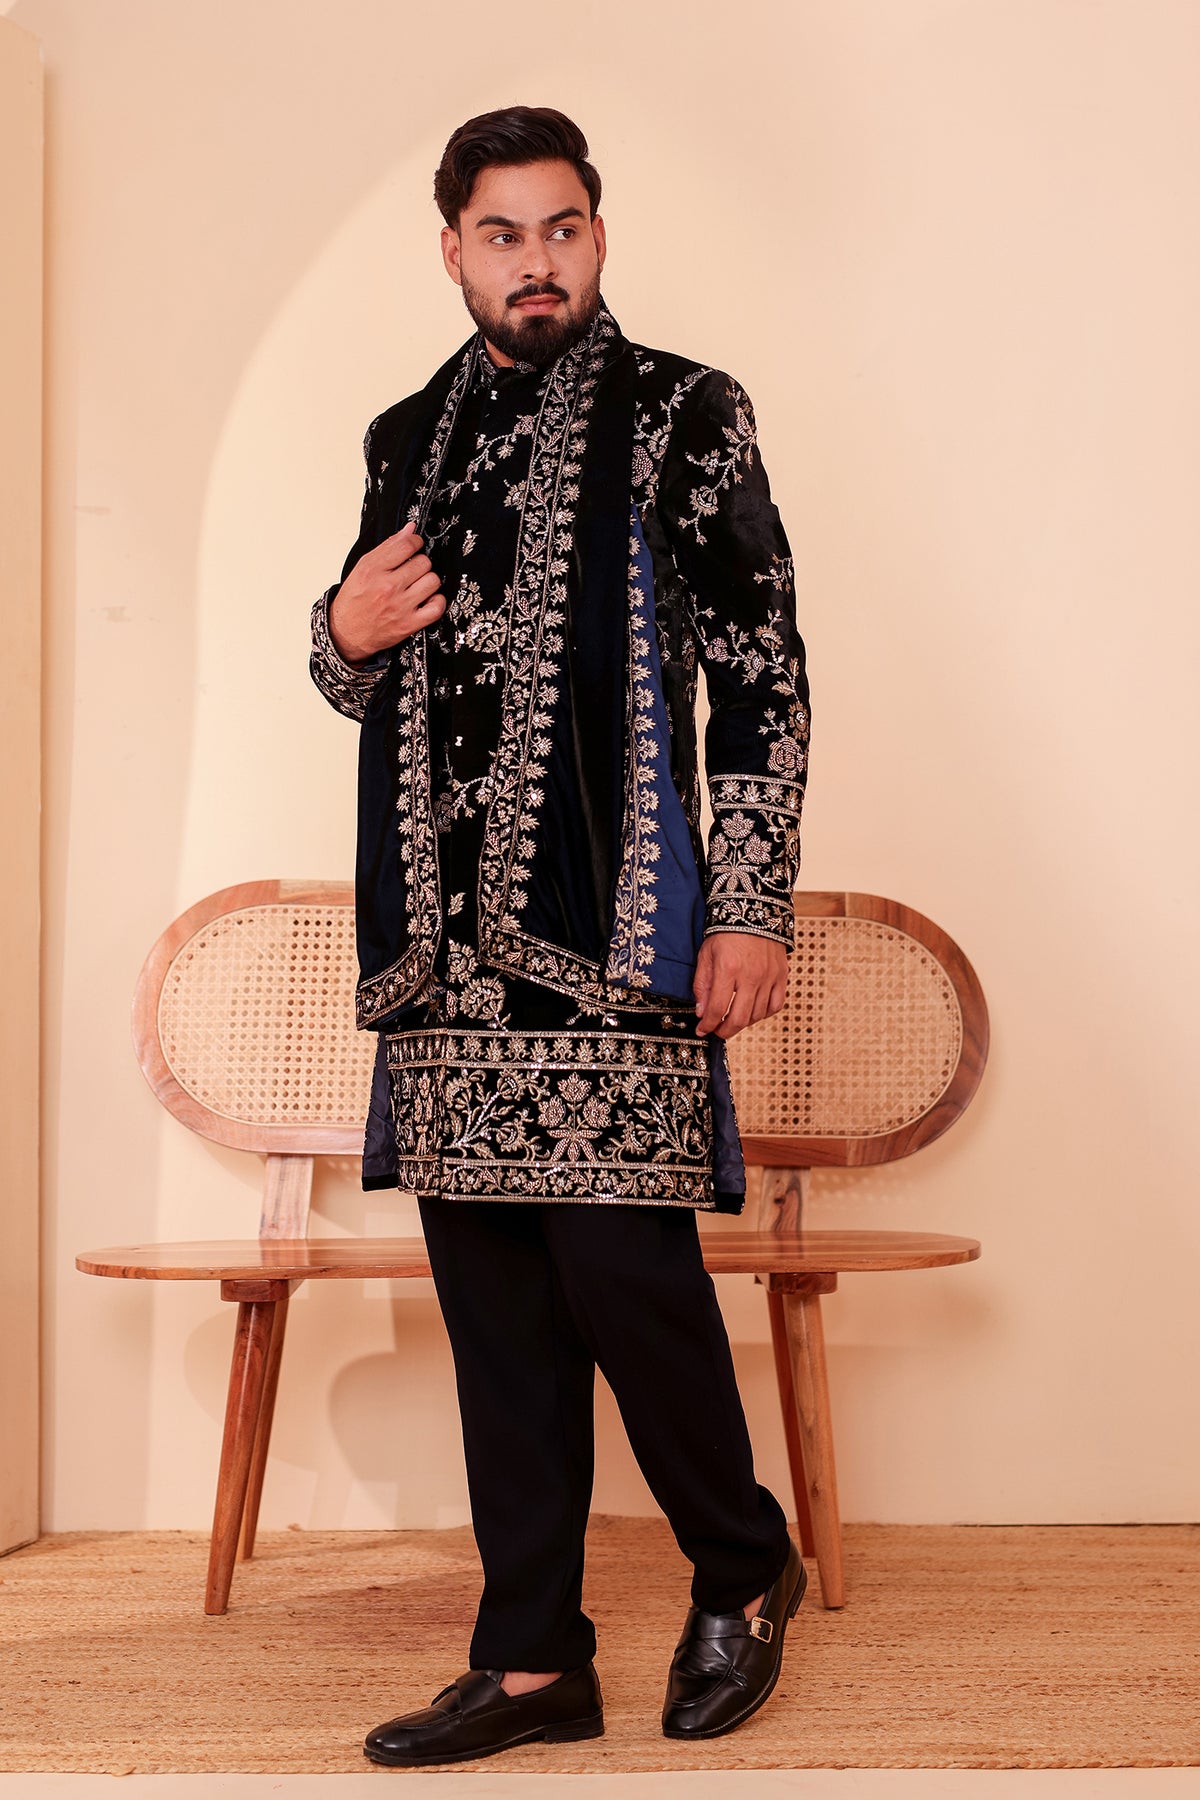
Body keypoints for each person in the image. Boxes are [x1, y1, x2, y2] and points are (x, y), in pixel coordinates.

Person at [309, 105, 811, 1770]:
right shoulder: (405, 436)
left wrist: (750, 904)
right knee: (498, 1318)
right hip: (441, 957)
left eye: (564, 229)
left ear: (599, 236)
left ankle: (739, 1566)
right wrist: (336, 634)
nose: (538, 263)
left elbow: (760, 668)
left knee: (626, 1284)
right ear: (453, 248)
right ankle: (532, 1660)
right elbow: (362, 657)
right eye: (504, 234)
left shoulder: (683, 413)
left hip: (616, 937)